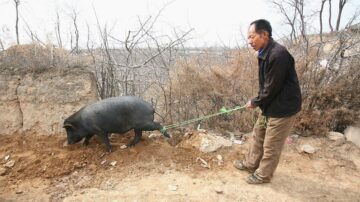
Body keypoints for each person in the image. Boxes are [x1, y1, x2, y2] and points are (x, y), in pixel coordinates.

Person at [233, 19, 302, 184]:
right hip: (270, 105)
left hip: (283, 108)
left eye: (252, 37)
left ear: (264, 35)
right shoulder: (264, 52)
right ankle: (251, 164)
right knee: (258, 135)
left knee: (271, 144)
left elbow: (272, 87)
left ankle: (263, 175)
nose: (249, 41)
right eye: (248, 38)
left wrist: (255, 101)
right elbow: (266, 84)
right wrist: (259, 101)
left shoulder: (278, 55)